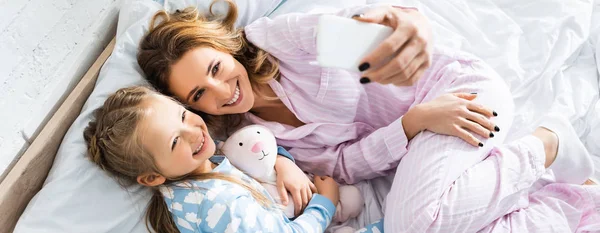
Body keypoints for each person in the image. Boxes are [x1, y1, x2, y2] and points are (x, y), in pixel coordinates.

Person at [137, 1, 599, 232]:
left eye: (216, 68)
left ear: (223, 47)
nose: (222, 90)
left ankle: (547, 142)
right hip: (422, 130)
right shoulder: (248, 136)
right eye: (200, 93)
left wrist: (397, 18)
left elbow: (370, 27)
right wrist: (411, 124)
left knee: (414, 225)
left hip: (458, 95)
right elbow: (342, 167)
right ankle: (547, 185)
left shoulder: (282, 41)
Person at [84, 86, 350, 233]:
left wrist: (282, 162)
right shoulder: (219, 202)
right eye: (174, 141)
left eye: (182, 116)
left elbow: (251, 153)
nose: (193, 132)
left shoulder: (201, 164)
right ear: (153, 177)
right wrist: (324, 205)